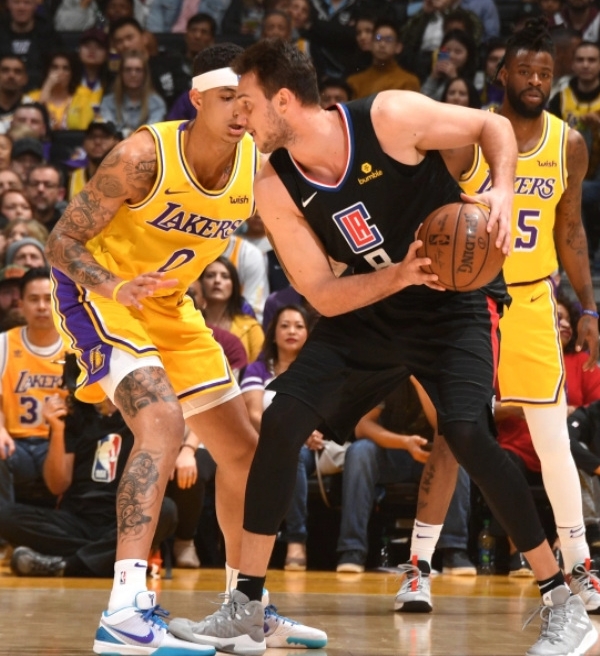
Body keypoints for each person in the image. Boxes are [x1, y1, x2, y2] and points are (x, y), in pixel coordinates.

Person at [166, 38, 598, 656]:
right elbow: (321, 292)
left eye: (249, 102)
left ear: (283, 100)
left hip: (453, 308)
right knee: (282, 419)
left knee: (467, 434)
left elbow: (492, 127)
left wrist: (502, 190)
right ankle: (246, 606)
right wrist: (397, 276)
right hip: (372, 304)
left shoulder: (388, 116)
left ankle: (562, 602)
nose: (241, 115)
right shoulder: (274, 185)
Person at [44, 42, 325, 656]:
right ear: (197, 98)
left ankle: (243, 609)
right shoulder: (142, 157)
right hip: (103, 294)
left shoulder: (257, 163)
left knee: (245, 453)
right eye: (227, 99)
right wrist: (114, 286)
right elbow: (59, 242)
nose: (240, 113)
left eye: (247, 101)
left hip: (170, 306)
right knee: (163, 424)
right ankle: (124, 611)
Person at [398, 16, 600, 620]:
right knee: (455, 434)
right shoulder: (469, 136)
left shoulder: (569, 144)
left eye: (545, 72)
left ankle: (579, 563)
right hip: (468, 299)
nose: (536, 80)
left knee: (552, 435)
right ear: (503, 73)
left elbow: (571, 230)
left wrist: (588, 306)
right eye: (525, 70)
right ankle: (418, 567)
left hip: (534, 298)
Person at [4, 389, 178, 577]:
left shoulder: (145, 415)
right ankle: (107, 557)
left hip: (122, 518)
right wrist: (57, 429)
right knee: (5, 515)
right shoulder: (74, 415)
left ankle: (67, 565)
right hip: (78, 518)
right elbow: (57, 485)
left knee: (165, 510)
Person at [337, 374, 476, 575]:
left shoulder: (443, 372)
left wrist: (420, 384)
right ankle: (352, 550)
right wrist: (404, 443)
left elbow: (445, 427)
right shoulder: (385, 368)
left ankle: (455, 550)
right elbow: (363, 427)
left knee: (455, 454)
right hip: (391, 451)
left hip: (432, 454)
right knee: (359, 452)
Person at [240, 304, 316, 571]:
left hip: (318, 448)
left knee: (295, 452)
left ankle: (345, 550)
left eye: (299, 326)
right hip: (273, 443)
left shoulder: (316, 370)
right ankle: (295, 541)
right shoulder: (257, 369)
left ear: (308, 334)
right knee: (289, 452)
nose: (291, 331)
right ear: (273, 334)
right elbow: (253, 414)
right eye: (284, 326)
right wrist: (293, 434)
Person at [0, 267, 66, 509]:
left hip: (61, 444)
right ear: (21, 304)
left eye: (49, 299)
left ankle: (76, 524)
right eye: (34, 299)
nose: (41, 306)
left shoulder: (76, 347)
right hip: (16, 445)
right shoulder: (4, 344)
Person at [547, 40, 600, 268]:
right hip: (568, 168)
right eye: (581, 60)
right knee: (574, 191)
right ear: (573, 64)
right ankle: (578, 258)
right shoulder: (560, 97)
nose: (586, 64)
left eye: (592, 60)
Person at [199, 256, 265, 363]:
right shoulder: (190, 322)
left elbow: (260, 367)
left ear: (234, 285)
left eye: (225, 276)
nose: (217, 280)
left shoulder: (251, 327)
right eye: (210, 276)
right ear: (200, 283)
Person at [346, 19, 420, 99]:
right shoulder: (354, 82)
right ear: (371, 44)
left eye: (388, 39)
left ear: (398, 47)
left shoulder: (408, 82)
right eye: (378, 38)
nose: (382, 44)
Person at [99, 51, 166, 138]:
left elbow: (152, 132)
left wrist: (129, 135)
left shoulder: (157, 103)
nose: (133, 74)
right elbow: (108, 131)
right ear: (121, 73)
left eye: (138, 70)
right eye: (128, 70)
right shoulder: (107, 102)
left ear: (145, 74)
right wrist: (126, 133)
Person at [25, 163, 67, 232]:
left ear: (60, 194)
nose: (40, 189)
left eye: (48, 185)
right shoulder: (16, 224)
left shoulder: (68, 227)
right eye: (34, 184)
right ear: (25, 190)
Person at [0, 55, 33, 135]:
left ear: (25, 79)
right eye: (5, 70)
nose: (11, 76)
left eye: (17, 72)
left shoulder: (32, 108)